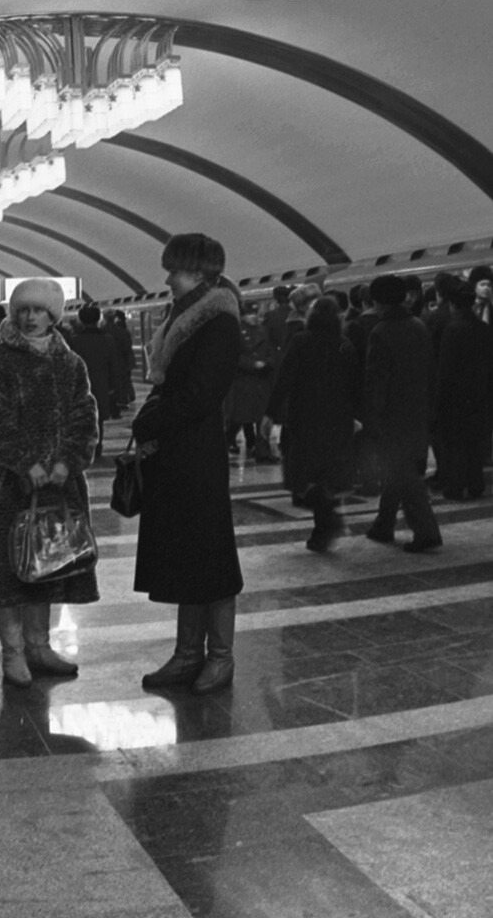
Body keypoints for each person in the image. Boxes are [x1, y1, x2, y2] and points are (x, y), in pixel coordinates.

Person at [0, 279, 99, 688]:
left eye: (38, 310)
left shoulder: (70, 361)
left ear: (53, 315)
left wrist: (67, 461)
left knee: (48, 563)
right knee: (7, 569)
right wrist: (26, 463)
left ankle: (39, 645)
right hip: (8, 483)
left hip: (60, 482)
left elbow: (85, 414)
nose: (29, 317)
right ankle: (13, 653)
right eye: (22, 310)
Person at [133, 233, 243, 696]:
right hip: (178, 454)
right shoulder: (181, 315)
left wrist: (153, 419)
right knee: (186, 555)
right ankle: (186, 655)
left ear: (197, 272)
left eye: (173, 269)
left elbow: (202, 394)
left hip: (198, 455)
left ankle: (219, 657)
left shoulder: (217, 322)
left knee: (211, 556)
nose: (167, 278)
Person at [263, 296, 360, 551]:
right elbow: (355, 385)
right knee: (325, 475)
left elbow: (284, 379)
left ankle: (327, 522)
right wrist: (357, 416)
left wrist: (270, 414)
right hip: (337, 420)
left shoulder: (301, 341)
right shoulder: (345, 344)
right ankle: (324, 527)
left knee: (304, 477)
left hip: (305, 419)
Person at [361, 274, 442, 552]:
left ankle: (427, 531)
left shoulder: (381, 331)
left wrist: (372, 417)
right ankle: (383, 525)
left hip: (393, 416)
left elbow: (377, 379)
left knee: (404, 474)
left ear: (378, 301)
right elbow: (432, 372)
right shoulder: (419, 325)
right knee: (397, 472)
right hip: (419, 411)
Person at [433, 284, 493, 500]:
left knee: (456, 444)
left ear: (453, 304)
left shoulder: (453, 329)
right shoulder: (485, 328)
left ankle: (456, 487)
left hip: (456, 397)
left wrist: (439, 400)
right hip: (480, 395)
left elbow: (445, 369)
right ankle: (476, 484)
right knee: (475, 443)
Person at [226, 303, 277, 461]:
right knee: (240, 418)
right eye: (249, 314)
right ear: (242, 316)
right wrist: (252, 364)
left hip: (260, 381)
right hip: (244, 382)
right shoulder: (235, 331)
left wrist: (269, 362)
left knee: (261, 417)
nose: (253, 316)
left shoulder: (262, 330)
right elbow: (232, 356)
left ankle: (262, 451)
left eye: (255, 313)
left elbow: (270, 350)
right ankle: (227, 441)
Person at [68, 304, 115, 457]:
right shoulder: (107, 340)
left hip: (79, 386)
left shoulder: (74, 341)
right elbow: (113, 364)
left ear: (81, 320)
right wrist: (114, 386)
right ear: (98, 319)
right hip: (101, 384)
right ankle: (98, 445)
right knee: (98, 417)